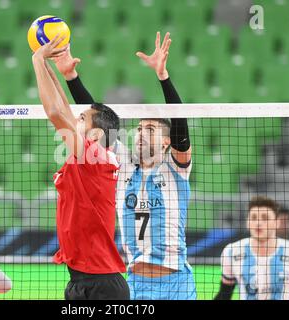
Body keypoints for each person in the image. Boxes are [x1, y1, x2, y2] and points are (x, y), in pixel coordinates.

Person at [53, 32, 195, 300]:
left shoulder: (176, 169)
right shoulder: (123, 166)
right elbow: (97, 121)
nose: (141, 132)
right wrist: (71, 78)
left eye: (150, 128)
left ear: (166, 142)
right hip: (133, 282)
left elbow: (180, 125)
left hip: (176, 283)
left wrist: (163, 77)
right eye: (139, 128)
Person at [31, 35, 129, 300]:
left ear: (96, 135)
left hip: (103, 287)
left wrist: (38, 60)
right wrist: (51, 69)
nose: (75, 117)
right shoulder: (86, 157)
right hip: (78, 281)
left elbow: (54, 112)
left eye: (82, 118)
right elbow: (62, 107)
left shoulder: (95, 157)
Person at [214, 196, 289, 300]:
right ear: (247, 222)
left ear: (277, 223)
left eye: (265, 218)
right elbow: (224, 294)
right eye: (253, 218)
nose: (258, 223)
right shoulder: (231, 251)